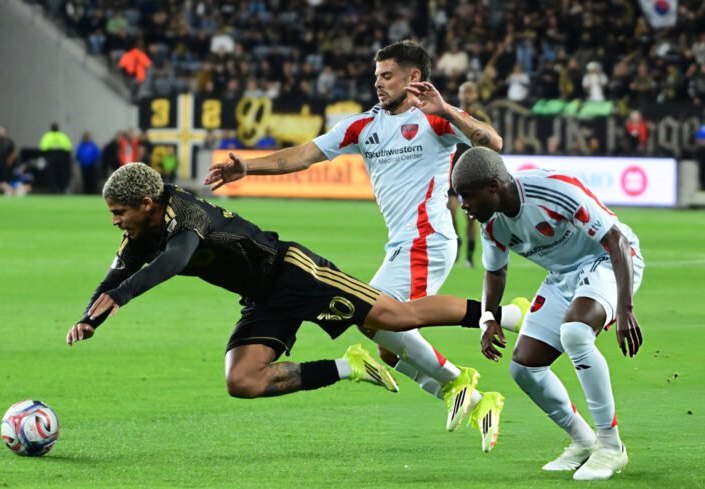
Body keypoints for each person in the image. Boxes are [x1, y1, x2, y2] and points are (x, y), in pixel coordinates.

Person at [206, 40, 527, 450]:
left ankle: (463, 381)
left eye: (387, 76)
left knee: (372, 318)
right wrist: (248, 167)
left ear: (413, 77)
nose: (378, 83)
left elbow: (491, 144)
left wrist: (447, 109)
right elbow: (302, 156)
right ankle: (481, 387)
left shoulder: (434, 119)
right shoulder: (363, 126)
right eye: (376, 76)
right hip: (400, 244)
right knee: (389, 347)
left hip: (426, 238)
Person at [67, 163, 521, 451]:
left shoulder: (185, 214)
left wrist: (123, 297)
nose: (115, 221)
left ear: (146, 204)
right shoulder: (138, 233)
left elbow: (177, 259)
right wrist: (89, 319)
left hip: (295, 273)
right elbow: (112, 279)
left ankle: (504, 314)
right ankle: (350, 367)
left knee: (397, 318)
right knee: (242, 381)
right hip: (263, 297)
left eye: (119, 213)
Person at [451, 147, 644, 481]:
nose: (463, 205)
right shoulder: (492, 224)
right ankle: (583, 441)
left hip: (607, 262)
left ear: (493, 187)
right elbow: (495, 272)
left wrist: (625, 308)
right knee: (524, 367)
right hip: (563, 276)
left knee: (575, 332)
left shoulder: (553, 189)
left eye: (467, 196)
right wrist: (488, 317)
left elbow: (617, 241)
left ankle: (611, 447)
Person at [447, 81, 491, 268]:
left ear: (476, 95)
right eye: (463, 92)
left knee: (470, 216)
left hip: (471, 172)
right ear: (459, 94)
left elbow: (489, 143)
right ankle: (457, 243)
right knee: (450, 210)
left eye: (470, 92)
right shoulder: (452, 114)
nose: (466, 95)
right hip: (451, 169)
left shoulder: (480, 118)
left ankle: (469, 256)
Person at [39, 123, 73, 193]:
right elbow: (69, 147)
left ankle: (53, 189)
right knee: (61, 173)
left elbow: (42, 148)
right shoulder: (62, 136)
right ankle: (62, 188)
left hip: (51, 156)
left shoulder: (47, 136)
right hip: (61, 156)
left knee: (52, 174)